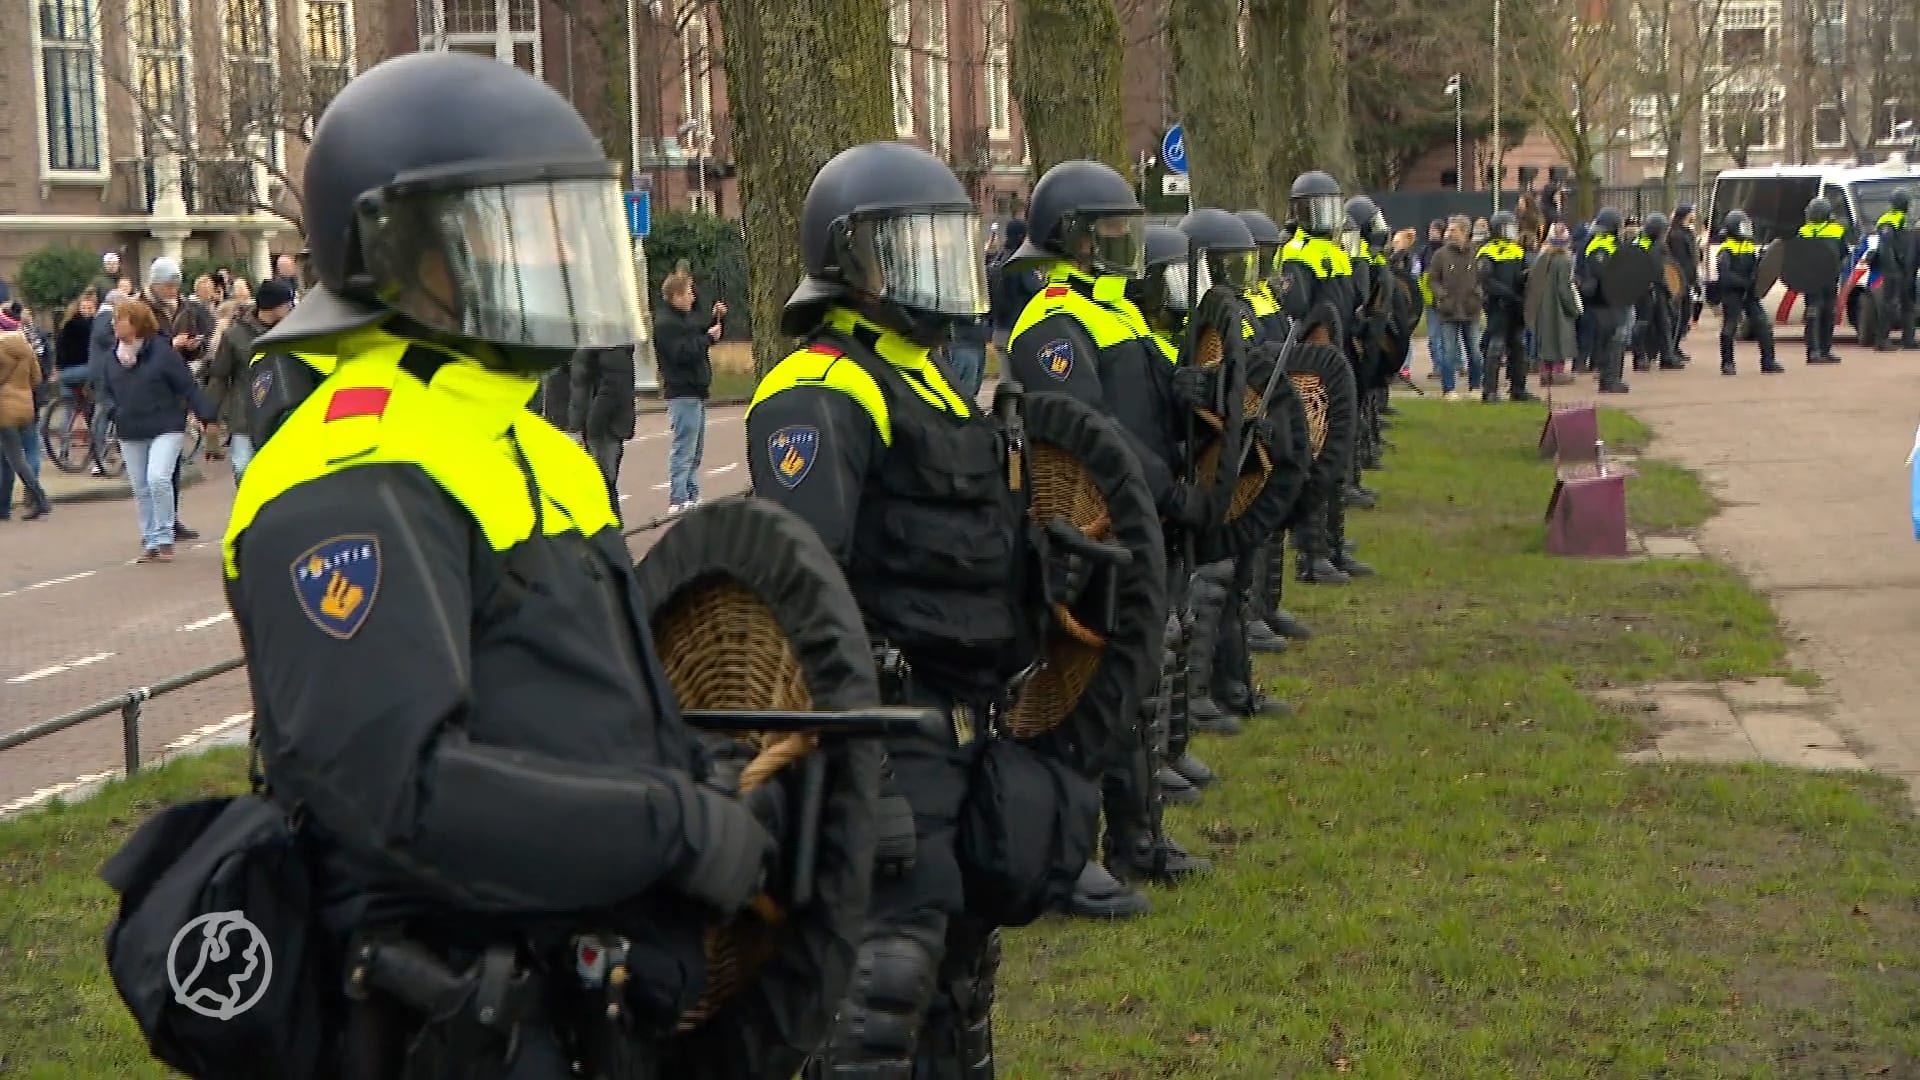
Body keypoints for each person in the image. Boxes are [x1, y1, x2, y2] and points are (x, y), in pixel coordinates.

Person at [221, 52, 855, 1078]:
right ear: (407, 251)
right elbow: (399, 794)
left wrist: (711, 782)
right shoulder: (347, 470)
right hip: (448, 1019)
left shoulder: (536, 446)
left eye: (569, 229)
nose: (557, 259)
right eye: (521, 229)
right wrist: (674, 829)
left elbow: (595, 695)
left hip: (588, 998)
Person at [750, 140, 1118, 1077]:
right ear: (849, 263)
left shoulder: (927, 381)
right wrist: (851, 774)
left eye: (942, 247)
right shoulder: (818, 388)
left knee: (960, 989)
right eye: (905, 249)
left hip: (962, 734)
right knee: (877, 1004)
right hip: (883, 740)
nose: (933, 274)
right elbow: (804, 591)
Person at [1001, 159, 1194, 920]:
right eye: (1112, 231)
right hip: (1089, 528)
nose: (1125, 243)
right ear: (1073, 240)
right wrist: (1166, 487)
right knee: (1084, 696)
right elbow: (1094, 433)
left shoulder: (1115, 309)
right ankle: (1068, 861)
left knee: (1135, 683)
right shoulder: (1052, 320)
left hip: (1137, 520)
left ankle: (1138, 837)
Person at [1278, 170, 1370, 586]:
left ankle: (1332, 543)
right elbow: (1299, 309)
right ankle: (1311, 555)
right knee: (1317, 457)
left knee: (1336, 455)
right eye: (1317, 207)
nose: (1324, 215)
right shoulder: (1297, 253)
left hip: (1337, 358)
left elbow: (1355, 299)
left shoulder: (1333, 251)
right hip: (1313, 366)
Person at [102, 298, 218, 560]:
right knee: (141, 487)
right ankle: (151, 540)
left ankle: (165, 534)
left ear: (136, 322)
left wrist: (208, 417)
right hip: (130, 428)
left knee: (158, 478)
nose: (114, 324)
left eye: (120, 318)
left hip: (166, 425)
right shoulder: (112, 358)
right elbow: (104, 391)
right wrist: (113, 411)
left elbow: (188, 386)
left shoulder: (163, 353)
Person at [141, 256, 216, 542]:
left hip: (176, 387)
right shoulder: (140, 308)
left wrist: (194, 347)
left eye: (176, 285)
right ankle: (154, 525)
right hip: (148, 389)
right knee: (149, 468)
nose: (174, 290)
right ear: (156, 284)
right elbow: (134, 346)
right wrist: (171, 345)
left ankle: (170, 520)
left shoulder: (185, 307)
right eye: (169, 285)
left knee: (170, 461)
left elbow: (196, 347)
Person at [199, 279, 296, 481]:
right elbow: (220, 376)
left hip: (282, 412)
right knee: (243, 467)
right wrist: (210, 418)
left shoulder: (291, 332)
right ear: (272, 305)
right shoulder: (235, 335)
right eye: (286, 303)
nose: (290, 308)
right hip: (244, 413)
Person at [654, 268, 722, 512]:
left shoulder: (683, 319)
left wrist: (713, 321)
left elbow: (698, 328)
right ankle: (678, 497)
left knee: (695, 449)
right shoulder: (666, 324)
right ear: (676, 296)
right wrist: (708, 340)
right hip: (682, 392)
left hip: (695, 391)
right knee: (684, 448)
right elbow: (682, 353)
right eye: (689, 292)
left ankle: (692, 494)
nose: (693, 297)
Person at [568, 338, 638, 504]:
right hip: (582, 421)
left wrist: (592, 424)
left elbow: (614, 387)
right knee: (596, 484)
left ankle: (609, 527)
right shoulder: (589, 340)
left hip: (601, 426)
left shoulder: (610, 344)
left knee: (602, 482)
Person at [1714, 210, 1783, 376]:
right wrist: (1744, 282)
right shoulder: (1725, 250)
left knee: (1763, 325)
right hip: (1732, 294)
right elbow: (1725, 276)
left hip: (1750, 293)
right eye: (1742, 226)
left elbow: (1758, 269)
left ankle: (1768, 361)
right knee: (1730, 327)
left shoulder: (1750, 247)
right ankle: (1727, 363)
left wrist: (1761, 268)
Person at [1476, 210, 1533, 403]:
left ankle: (1518, 388)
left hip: (1516, 306)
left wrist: (1527, 278)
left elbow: (1521, 273)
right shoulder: (1487, 251)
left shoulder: (1517, 250)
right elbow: (1486, 280)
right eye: (1508, 228)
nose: (1512, 231)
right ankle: (1489, 391)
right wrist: (1508, 293)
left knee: (1519, 347)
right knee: (1495, 347)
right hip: (1498, 305)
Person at [1576, 207, 1635, 393]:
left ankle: (1609, 377)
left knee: (1612, 336)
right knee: (1616, 336)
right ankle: (1610, 379)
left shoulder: (1601, 242)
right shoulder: (1601, 245)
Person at [1425, 216, 1482, 401]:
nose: (1449, 233)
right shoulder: (1440, 255)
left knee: (1474, 350)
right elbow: (1432, 279)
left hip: (1470, 309)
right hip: (1448, 311)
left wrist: (1479, 294)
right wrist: (1442, 296)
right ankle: (1448, 389)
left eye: (1453, 230)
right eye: (1448, 230)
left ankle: (1476, 386)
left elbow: (1483, 277)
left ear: (1465, 232)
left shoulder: (1476, 252)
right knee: (1448, 351)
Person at [0, 325, 52, 521]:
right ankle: (3, 506)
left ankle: (41, 499)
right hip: (25, 406)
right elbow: (37, 378)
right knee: (5, 459)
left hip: (4, 409)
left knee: (15, 460)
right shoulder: (26, 348)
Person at [1525, 223, 1582, 387]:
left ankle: (1545, 372)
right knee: (1560, 339)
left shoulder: (1541, 259)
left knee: (1545, 340)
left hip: (1542, 306)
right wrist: (1573, 308)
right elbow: (1565, 288)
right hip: (1558, 307)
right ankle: (1558, 373)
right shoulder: (1564, 261)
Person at [1629, 213, 1684, 372]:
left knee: (1662, 323)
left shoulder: (1641, 242)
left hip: (1654, 289)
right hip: (1647, 290)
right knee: (1643, 323)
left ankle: (1666, 356)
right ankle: (1640, 357)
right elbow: (1658, 270)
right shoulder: (1649, 245)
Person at [1797, 197, 1849, 365]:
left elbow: (1844, 254)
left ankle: (1825, 351)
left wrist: (1840, 267)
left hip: (1827, 279)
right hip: (1814, 280)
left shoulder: (1835, 230)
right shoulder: (1804, 231)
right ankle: (1814, 352)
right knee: (1815, 314)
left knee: (1828, 314)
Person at [1871, 188, 1915, 352]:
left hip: (1908, 269)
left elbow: (1912, 245)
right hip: (1894, 269)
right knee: (1890, 304)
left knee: (1908, 304)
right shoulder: (1888, 220)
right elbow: (1886, 247)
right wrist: (1894, 268)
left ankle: (1908, 339)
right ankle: (1882, 340)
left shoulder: (1907, 219)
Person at [1668, 205, 1703, 349]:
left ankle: (1675, 346)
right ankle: (1672, 348)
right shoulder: (1676, 235)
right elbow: (1681, 260)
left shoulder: (1687, 232)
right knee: (1678, 315)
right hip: (1680, 279)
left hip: (1688, 279)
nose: (1694, 214)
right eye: (1692, 212)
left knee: (1685, 313)